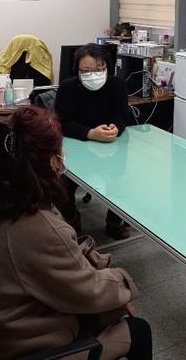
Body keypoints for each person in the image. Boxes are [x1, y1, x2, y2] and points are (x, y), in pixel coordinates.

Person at [0, 107, 152, 360]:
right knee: (138, 330)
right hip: (29, 347)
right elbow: (89, 292)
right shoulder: (37, 226)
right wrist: (121, 281)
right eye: (60, 148)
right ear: (53, 161)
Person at [55, 43, 131, 239]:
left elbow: (123, 115)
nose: (93, 75)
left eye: (99, 69)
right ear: (77, 70)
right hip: (76, 145)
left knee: (122, 179)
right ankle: (72, 226)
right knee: (62, 185)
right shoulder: (67, 88)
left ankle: (114, 223)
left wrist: (116, 127)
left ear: (107, 68)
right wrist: (90, 133)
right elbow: (62, 122)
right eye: (86, 71)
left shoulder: (117, 85)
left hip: (111, 145)